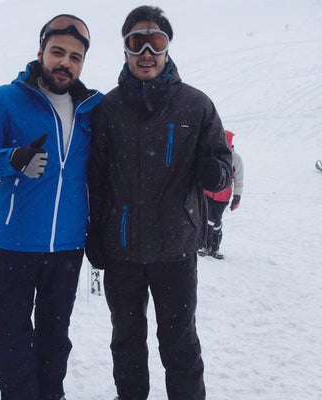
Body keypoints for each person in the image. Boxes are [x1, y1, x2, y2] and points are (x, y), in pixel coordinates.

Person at [85, 6, 232, 400]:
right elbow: (95, 180)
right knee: (127, 342)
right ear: (126, 51)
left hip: (175, 249)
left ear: (167, 48)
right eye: (137, 43)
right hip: (122, 251)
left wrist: (215, 174)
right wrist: (93, 233)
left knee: (180, 342)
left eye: (156, 42)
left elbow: (223, 164)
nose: (147, 53)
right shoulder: (108, 109)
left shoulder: (196, 105)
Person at [0, 14, 103, 400]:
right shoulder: (6, 100)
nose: (65, 62)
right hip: (15, 245)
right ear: (40, 52)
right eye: (58, 52)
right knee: (10, 339)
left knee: (56, 339)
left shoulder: (92, 109)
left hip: (68, 247)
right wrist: (11, 158)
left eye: (75, 57)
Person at [199, 130, 244, 259]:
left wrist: (237, 197)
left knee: (216, 221)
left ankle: (214, 247)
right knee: (207, 219)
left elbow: (239, 179)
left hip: (223, 197)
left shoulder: (236, 159)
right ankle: (205, 246)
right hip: (208, 193)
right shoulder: (212, 153)